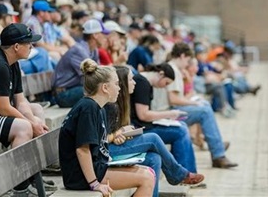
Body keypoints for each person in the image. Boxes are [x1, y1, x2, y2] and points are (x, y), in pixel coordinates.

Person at [58, 59, 154, 197]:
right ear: (104, 88)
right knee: (146, 178)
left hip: (97, 168)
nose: (120, 88)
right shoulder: (88, 108)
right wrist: (94, 184)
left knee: (148, 172)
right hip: (80, 176)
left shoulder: (99, 108)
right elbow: (82, 150)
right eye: (116, 84)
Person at [105, 65, 205, 197]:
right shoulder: (110, 106)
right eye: (130, 80)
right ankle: (179, 174)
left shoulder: (123, 102)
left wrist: (121, 134)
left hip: (114, 146)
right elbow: (103, 138)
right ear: (122, 83)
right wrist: (116, 135)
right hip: (106, 153)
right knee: (153, 138)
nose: (134, 82)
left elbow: (116, 133)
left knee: (155, 158)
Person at [0, 23, 49, 194]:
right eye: (28, 43)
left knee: (36, 112)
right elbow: (4, 108)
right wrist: (30, 123)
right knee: (24, 127)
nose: (31, 46)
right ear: (16, 46)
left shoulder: (13, 63)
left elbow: (20, 101)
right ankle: (20, 188)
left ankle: (34, 175)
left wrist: (34, 120)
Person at [156, 42, 238, 168]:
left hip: (170, 109)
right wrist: (193, 102)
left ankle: (218, 149)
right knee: (204, 110)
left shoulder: (174, 69)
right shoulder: (172, 69)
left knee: (204, 105)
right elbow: (173, 99)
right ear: (182, 56)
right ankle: (218, 154)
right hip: (169, 112)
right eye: (188, 60)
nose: (188, 63)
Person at [130, 63, 199, 173]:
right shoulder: (142, 83)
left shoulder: (146, 83)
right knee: (180, 131)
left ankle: (186, 171)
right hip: (140, 128)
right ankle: (185, 172)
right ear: (161, 74)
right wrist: (169, 114)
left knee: (182, 126)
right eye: (166, 82)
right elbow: (143, 115)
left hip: (142, 125)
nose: (165, 86)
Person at [52, 19, 110, 107]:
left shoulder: (94, 50)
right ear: (95, 35)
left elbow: (98, 73)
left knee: (106, 87)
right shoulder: (79, 50)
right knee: (102, 89)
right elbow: (93, 76)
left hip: (76, 89)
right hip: (63, 94)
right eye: (103, 34)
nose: (106, 38)